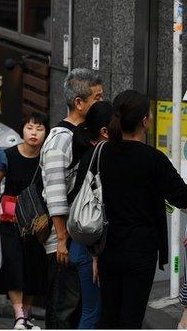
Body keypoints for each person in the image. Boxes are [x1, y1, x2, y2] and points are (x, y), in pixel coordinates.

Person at [97, 90, 187, 328]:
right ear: (145, 121)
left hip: (107, 246)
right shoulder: (153, 159)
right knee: (131, 319)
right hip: (141, 249)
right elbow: (182, 196)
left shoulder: (102, 153)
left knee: (108, 316)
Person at [40, 68, 102, 329]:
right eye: (97, 98)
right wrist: (62, 239)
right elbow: (55, 193)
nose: (102, 102)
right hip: (61, 244)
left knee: (76, 311)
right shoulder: (59, 140)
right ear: (79, 102)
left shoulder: (85, 137)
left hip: (78, 240)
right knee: (63, 311)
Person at [0, 113, 49, 330]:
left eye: (39, 129)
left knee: (34, 265)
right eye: (30, 127)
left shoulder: (47, 158)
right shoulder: (9, 155)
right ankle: (19, 315)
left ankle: (26, 317)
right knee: (13, 263)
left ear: (46, 132)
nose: (34, 133)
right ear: (22, 130)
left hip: (36, 221)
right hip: (10, 217)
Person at [67, 102, 112, 330]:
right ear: (105, 131)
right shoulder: (98, 156)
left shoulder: (87, 151)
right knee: (93, 312)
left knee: (90, 310)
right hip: (88, 247)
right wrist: (96, 255)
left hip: (80, 242)